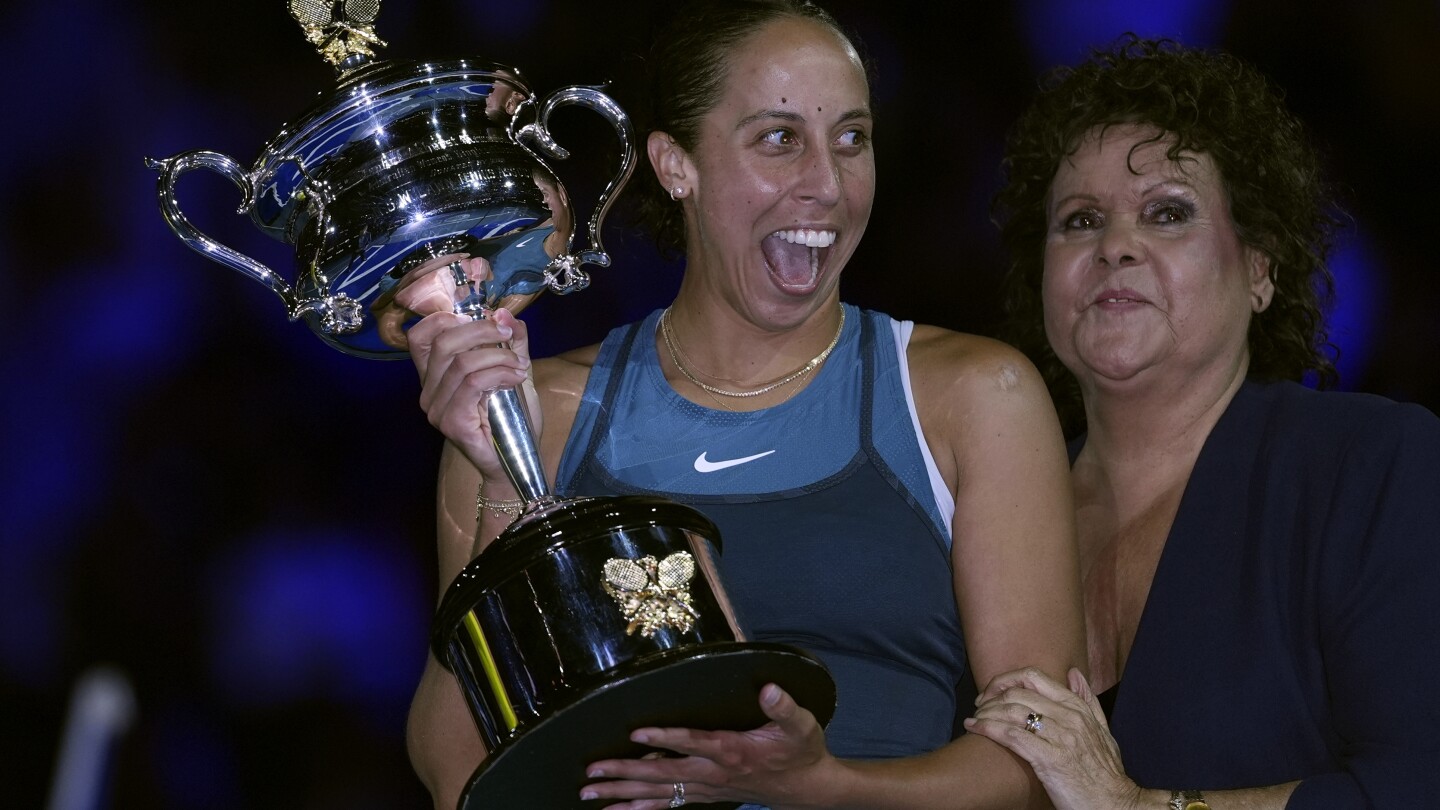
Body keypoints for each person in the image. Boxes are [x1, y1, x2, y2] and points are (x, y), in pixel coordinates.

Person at [402, 1, 1086, 808]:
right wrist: (504, 479)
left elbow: (1048, 763)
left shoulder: (974, 396)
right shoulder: (532, 412)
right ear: (674, 164)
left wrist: (821, 786)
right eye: (780, 139)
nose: (828, 186)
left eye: (852, 140)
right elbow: (460, 780)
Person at [966, 36, 1440, 809]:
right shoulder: (979, 510)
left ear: (1259, 270)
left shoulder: (1373, 468)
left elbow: (1420, 785)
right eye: (1079, 221)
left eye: (1167, 213)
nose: (1116, 246)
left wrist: (1138, 807)